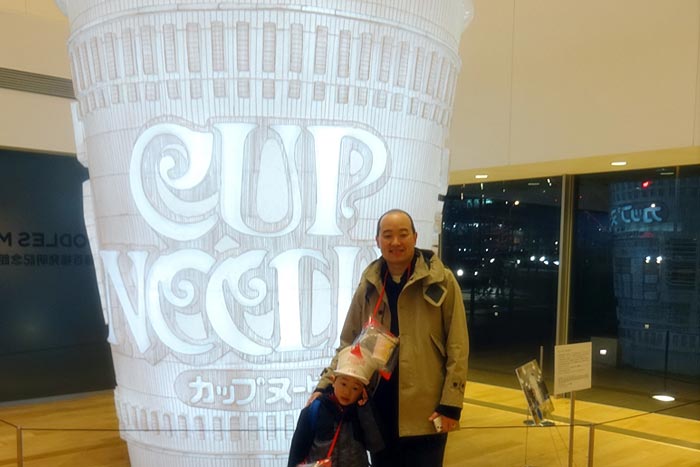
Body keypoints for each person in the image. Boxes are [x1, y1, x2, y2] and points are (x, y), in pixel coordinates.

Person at [313, 209, 470, 467]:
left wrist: (451, 404)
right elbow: (349, 343)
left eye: (402, 234)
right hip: (377, 410)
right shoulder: (370, 284)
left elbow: (458, 347)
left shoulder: (441, 281)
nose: (395, 242)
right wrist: (325, 384)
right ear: (377, 241)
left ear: (415, 237)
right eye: (387, 236)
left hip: (426, 411)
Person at [288, 346, 384, 467]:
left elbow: (375, 446)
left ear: (362, 391)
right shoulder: (315, 408)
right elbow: (296, 452)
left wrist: (365, 410)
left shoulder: (362, 411)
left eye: (355, 388)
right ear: (333, 381)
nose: (347, 392)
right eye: (343, 383)